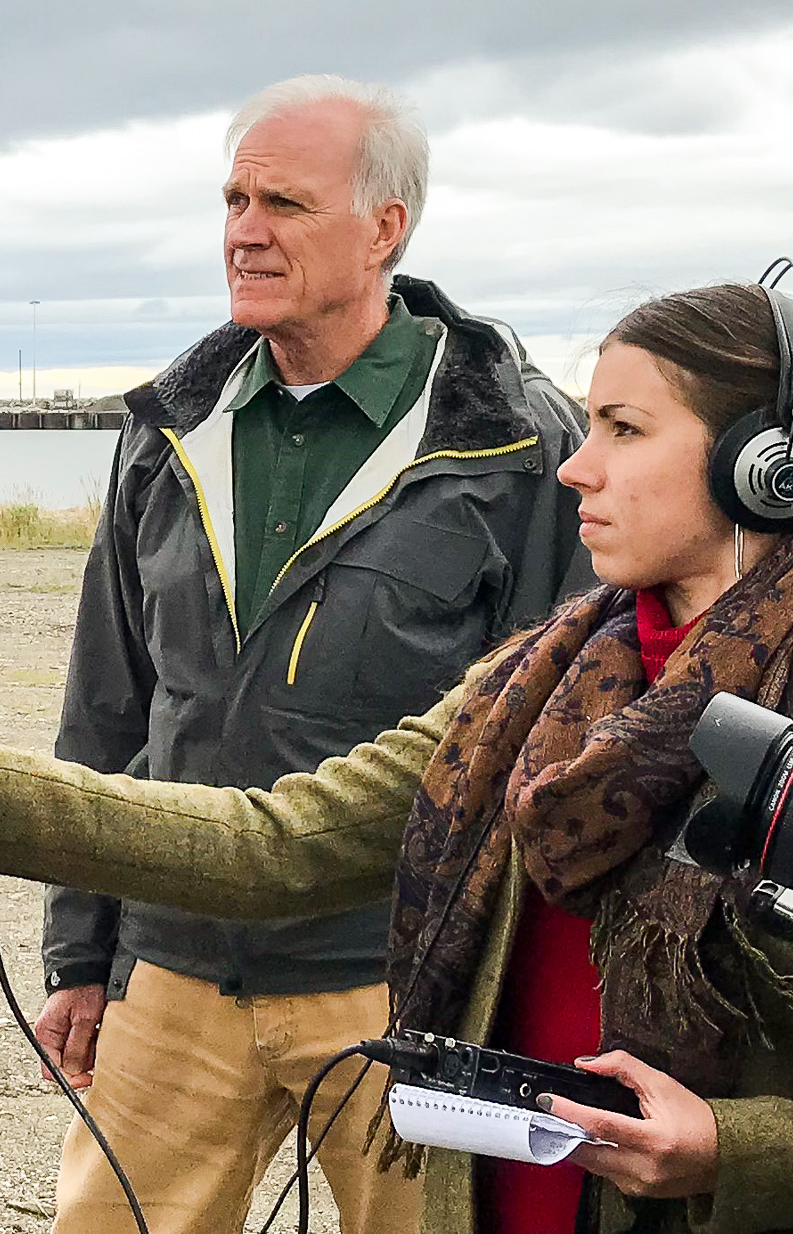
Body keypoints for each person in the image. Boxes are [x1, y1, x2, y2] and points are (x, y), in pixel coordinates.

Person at [0, 281, 793, 1234]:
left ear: (766, 471)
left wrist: (729, 1149)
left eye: (623, 431)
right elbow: (277, 841)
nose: (575, 468)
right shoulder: (535, 689)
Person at [33, 75, 589, 1234]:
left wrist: (507, 991)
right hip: (171, 969)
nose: (243, 229)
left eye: (282, 201)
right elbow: (106, 704)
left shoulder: (512, 441)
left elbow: (552, 734)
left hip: (395, 983)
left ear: (385, 226)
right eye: (232, 198)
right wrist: (78, 949)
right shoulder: (169, 429)